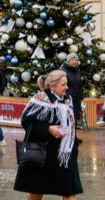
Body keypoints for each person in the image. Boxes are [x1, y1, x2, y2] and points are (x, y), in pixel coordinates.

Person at [14, 70, 82, 199]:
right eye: (63, 85)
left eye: (66, 84)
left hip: (64, 154)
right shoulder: (39, 99)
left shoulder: (68, 99)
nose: (67, 87)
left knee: (69, 191)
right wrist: (48, 129)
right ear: (52, 86)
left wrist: (74, 144)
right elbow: (26, 122)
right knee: (37, 190)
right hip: (43, 153)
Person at [60, 53, 83, 122]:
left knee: (75, 117)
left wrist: (81, 95)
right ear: (68, 61)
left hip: (77, 97)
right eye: (72, 60)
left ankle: (74, 131)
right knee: (69, 117)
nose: (74, 62)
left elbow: (79, 84)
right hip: (68, 97)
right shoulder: (63, 70)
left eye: (76, 60)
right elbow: (62, 85)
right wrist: (66, 96)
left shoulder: (77, 70)